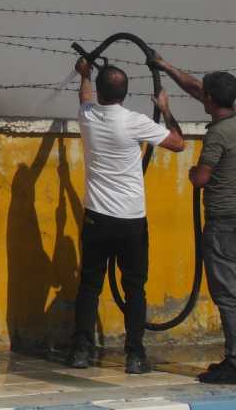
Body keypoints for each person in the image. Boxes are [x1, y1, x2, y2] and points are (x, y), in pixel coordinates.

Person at [69, 58, 184, 373]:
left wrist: (84, 75)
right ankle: (135, 356)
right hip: (132, 221)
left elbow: (84, 97)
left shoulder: (88, 115)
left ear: (102, 91)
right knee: (135, 288)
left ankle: (80, 350)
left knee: (89, 285)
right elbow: (178, 143)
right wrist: (166, 108)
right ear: (125, 92)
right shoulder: (134, 121)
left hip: (96, 218)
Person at [155, 56, 236, 383]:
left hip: (223, 224)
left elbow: (200, 179)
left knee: (228, 295)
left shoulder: (217, 135)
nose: (200, 96)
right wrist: (166, 66)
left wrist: (166, 113)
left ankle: (234, 362)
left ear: (211, 101)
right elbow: (197, 88)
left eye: (205, 95)